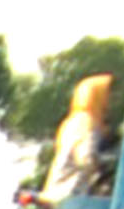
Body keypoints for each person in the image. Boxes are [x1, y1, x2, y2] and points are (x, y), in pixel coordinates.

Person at [45, 72, 115, 201]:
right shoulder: (87, 122)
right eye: (107, 95)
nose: (108, 102)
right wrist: (107, 164)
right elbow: (86, 158)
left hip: (57, 192)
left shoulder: (71, 122)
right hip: (71, 194)